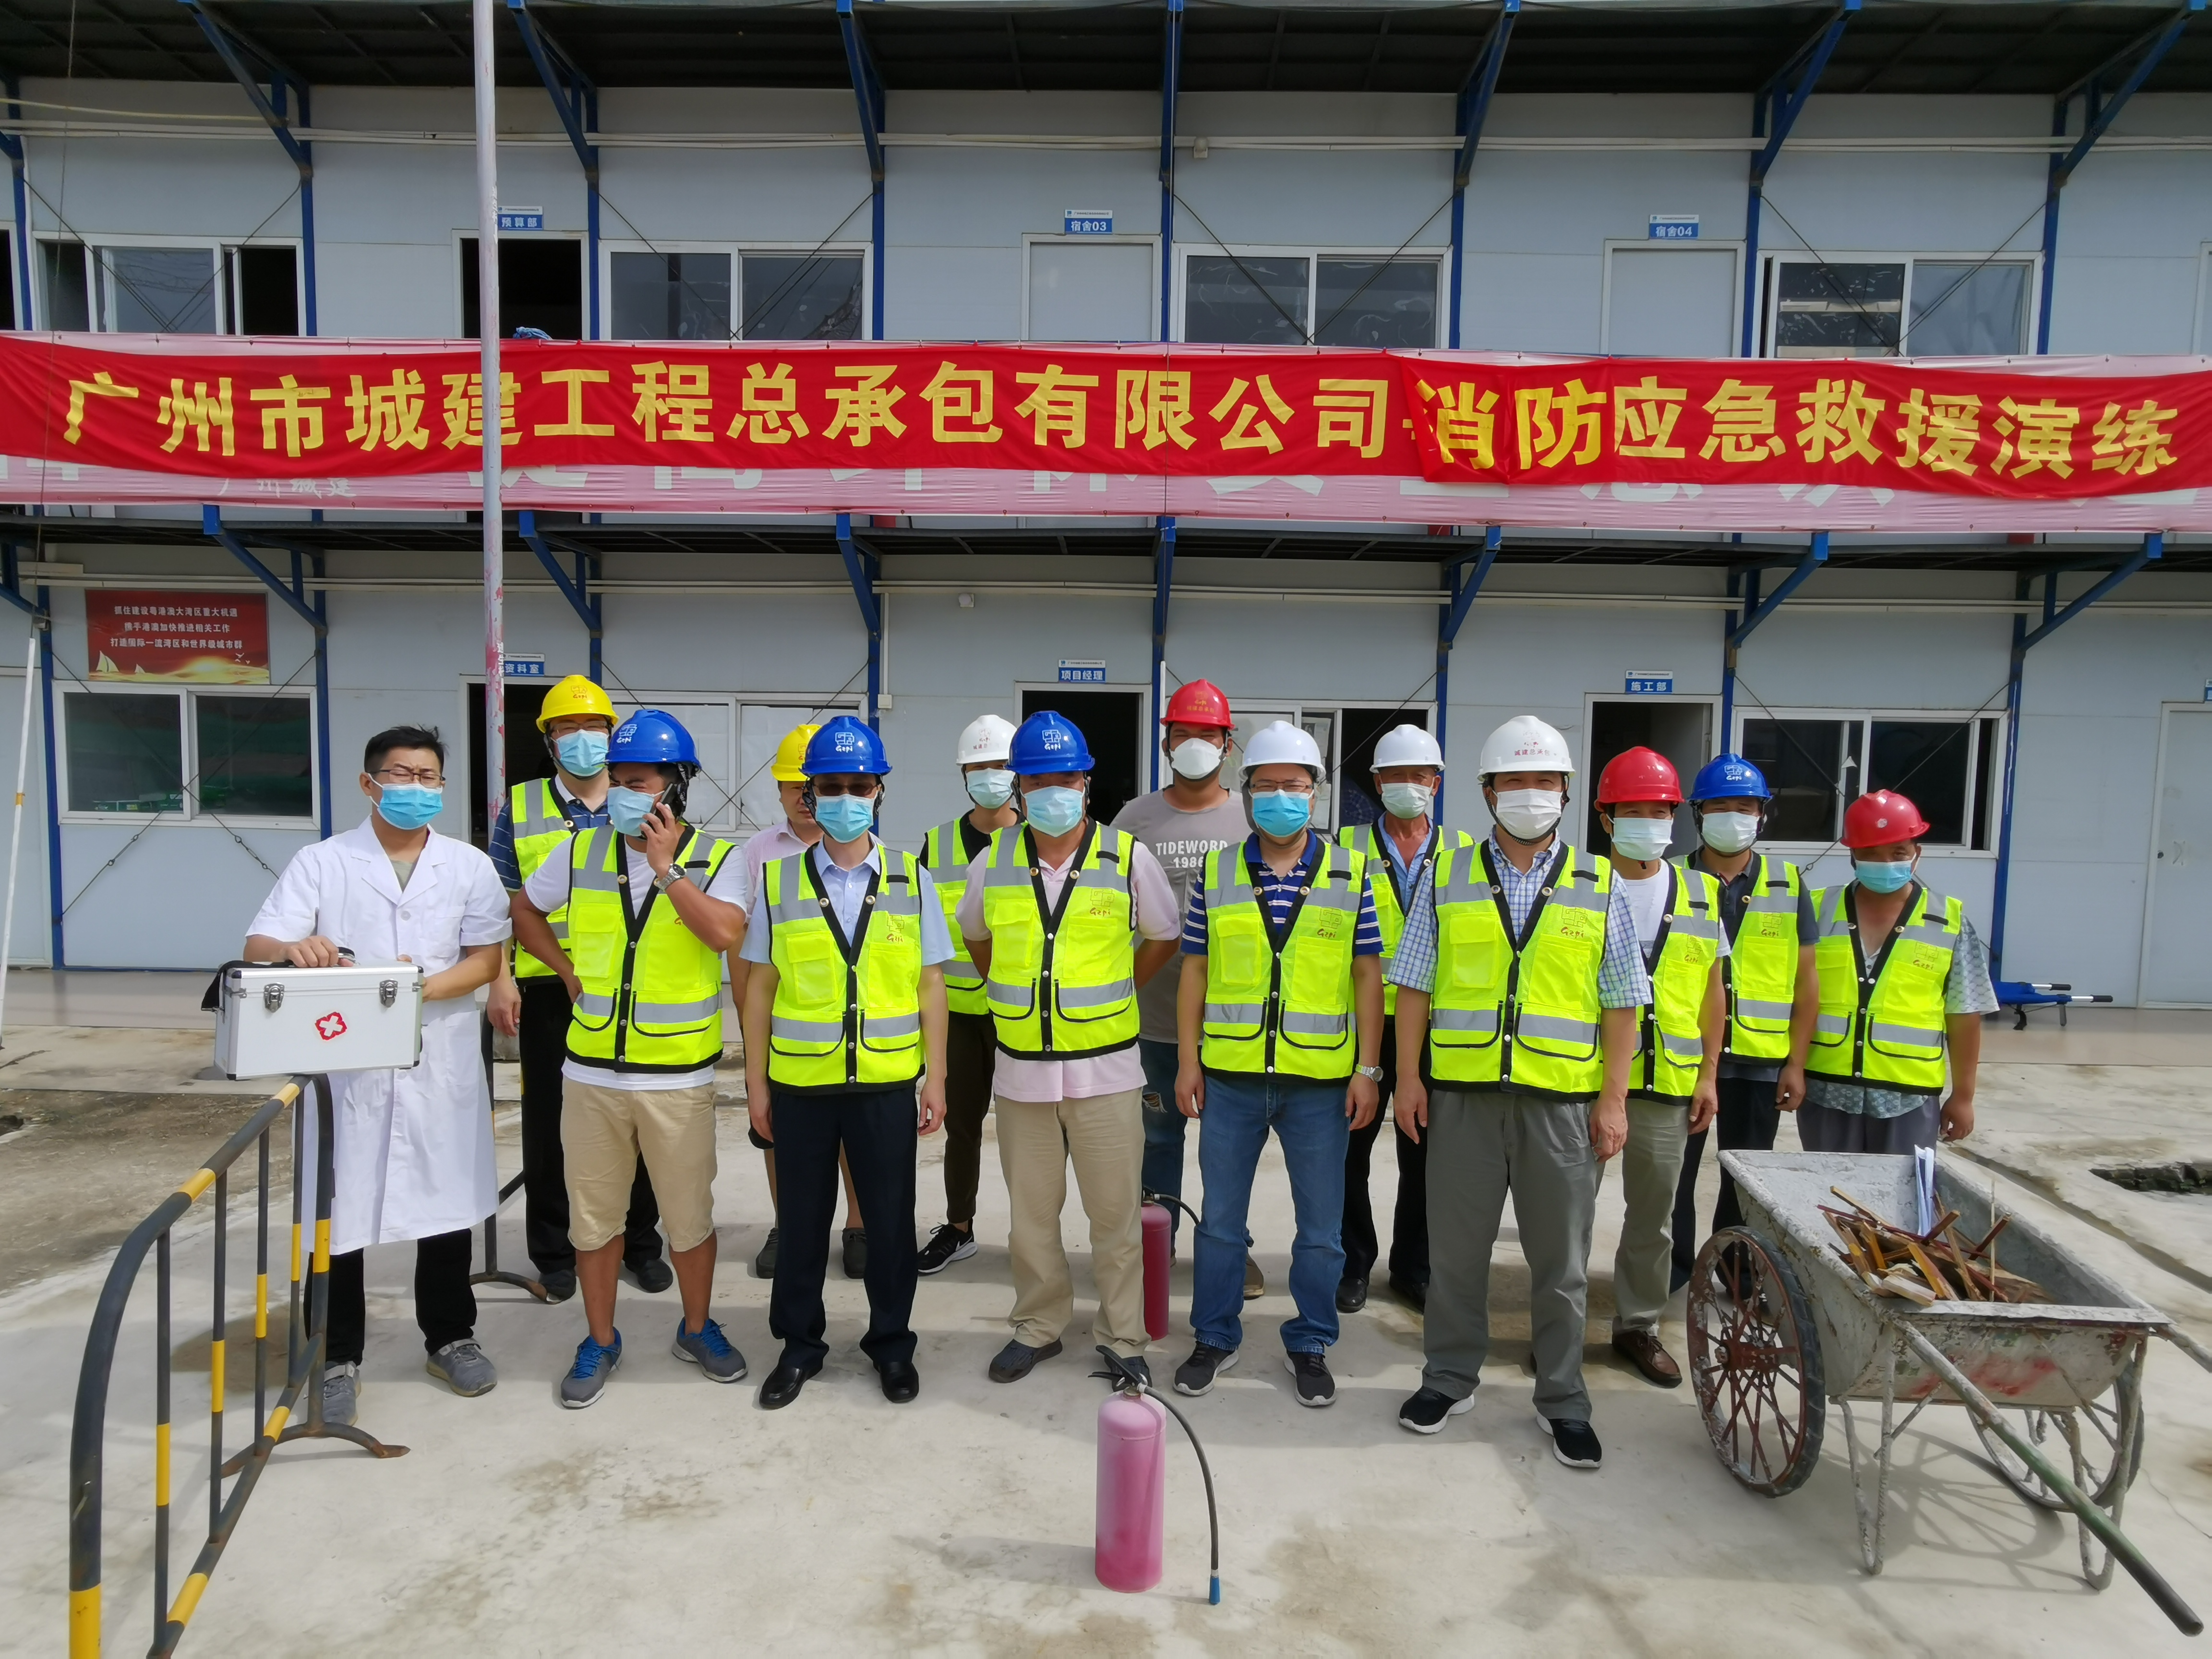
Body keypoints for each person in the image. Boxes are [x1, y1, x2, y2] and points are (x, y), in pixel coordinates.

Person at [1388, 715, 1650, 1472]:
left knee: (1561, 1266)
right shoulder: (1447, 876)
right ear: (1487, 792)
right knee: (1455, 1256)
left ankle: (1563, 1400)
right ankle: (1449, 1378)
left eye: (1543, 782)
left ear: (1565, 793)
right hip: (1463, 1100)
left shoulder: (1599, 883)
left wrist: (1614, 1101)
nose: (1529, 794)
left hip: (1562, 1106)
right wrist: (1407, 1078)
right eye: (1513, 781)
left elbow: (1623, 1003)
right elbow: (1414, 986)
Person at [244, 725, 509, 1424]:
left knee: (446, 1204)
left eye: (428, 778)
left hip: (437, 1058)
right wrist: (294, 949)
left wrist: (413, 990)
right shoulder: (323, 862)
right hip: (347, 1065)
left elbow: (486, 960)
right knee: (338, 1212)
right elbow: (260, 941)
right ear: (369, 784)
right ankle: (335, 1356)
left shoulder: (468, 865)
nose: (416, 788)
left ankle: (450, 1337)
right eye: (401, 775)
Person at [512, 709, 749, 1408]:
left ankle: (697, 1329)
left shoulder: (719, 859)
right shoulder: (580, 851)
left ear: (675, 787)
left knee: (689, 1221)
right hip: (590, 1075)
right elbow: (524, 910)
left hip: (678, 1079)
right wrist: (564, 970)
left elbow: (724, 935)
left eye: (638, 782)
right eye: (616, 780)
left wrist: (667, 870)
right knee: (594, 1222)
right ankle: (600, 1339)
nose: (621, 792)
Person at [962, 711, 1183, 1386]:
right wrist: (1020, 995)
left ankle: (1123, 1337)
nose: (1052, 791)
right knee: (1030, 1219)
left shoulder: (1127, 856)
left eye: (1065, 778)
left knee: (1115, 1219)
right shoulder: (993, 861)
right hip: (1022, 1075)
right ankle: (1039, 1326)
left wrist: (1119, 987)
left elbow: (1163, 935)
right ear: (1019, 788)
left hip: (1107, 1072)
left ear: (1086, 782)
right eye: (1037, 781)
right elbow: (976, 938)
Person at [1172, 721, 1385, 1409]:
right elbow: (1195, 970)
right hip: (1231, 1078)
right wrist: (1187, 1062)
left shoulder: (1352, 873)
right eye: (1266, 786)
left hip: (1320, 1085)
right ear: (1247, 793)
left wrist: (1369, 1070)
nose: (1280, 798)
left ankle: (1312, 1339)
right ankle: (1215, 1335)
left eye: (1293, 786)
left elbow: (1367, 975)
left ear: (1315, 792)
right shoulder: (1217, 872)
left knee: (1321, 1232)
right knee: (1220, 1224)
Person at [741, 716, 950, 1409]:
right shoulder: (778, 881)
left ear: (879, 791)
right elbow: (761, 986)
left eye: (859, 787)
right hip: (802, 1084)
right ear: (810, 795)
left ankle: (892, 1346)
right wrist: (755, 1084)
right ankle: (799, 1348)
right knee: (802, 1226)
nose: (845, 799)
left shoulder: (912, 879)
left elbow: (930, 985)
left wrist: (937, 1078)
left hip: (886, 1084)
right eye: (830, 787)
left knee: (889, 1226)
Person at [484, 675, 668, 1305]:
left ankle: (641, 1243)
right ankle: (556, 1251)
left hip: (627, 987)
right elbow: (501, 902)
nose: (583, 739)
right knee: (549, 1123)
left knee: (637, 1117)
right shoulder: (522, 806)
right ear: (550, 739)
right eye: (569, 729)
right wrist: (501, 978)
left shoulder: (640, 799)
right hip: (547, 988)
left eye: (595, 728)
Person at [1107, 679, 1262, 1297]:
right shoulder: (1135, 818)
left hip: (1231, 1019)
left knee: (1229, 1148)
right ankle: (1158, 1243)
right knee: (1159, 1138)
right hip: (1154, 1017)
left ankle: (1231, 1250)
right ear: (1166, 741)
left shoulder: (1251, 816)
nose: (1194, 743)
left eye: (1207, 734)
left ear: (1227, 744)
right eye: (1183, 734)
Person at [1591, 747, 1723, 1390]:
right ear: (1607, 819)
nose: (1649, 823)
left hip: (1669, 1083)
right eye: (1634, 812)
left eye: (1660, 812)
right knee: (1567, 1215)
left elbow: (1712, 992)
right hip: (1586, 1081)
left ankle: (1638, 1325)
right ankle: (1558, 1329)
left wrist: (1709, 1074)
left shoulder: (1702, 892)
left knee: (1654, 1217)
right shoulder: (1581, 882)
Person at [1333, 722, 1470, 1314]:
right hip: (1362, 1024)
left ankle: (1415, 1266)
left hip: (1436, 1027)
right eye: (1396, 776)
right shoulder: (1344, 848)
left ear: (1436, 783)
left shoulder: (1464, 852)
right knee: (1348, 1152)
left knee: (1427, 1155)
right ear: (1376, 782)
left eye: (1420, 775)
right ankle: (1352, 1263)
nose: (1408, 785)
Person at [1667, 755, 1818, 1290]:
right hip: (1683, 1059)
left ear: (1762, 814)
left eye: (1745, 807)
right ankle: (1671, 1275)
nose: (1734, 817)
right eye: (1720, 807)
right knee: (1674, 1177)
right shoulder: (1670, 877)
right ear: (1698, 814)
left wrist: (1796, 1063)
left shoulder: (1788, 883)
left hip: (1758, 1062)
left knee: (1744, 1179)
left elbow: (1806, 982)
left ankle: (1737, 1275)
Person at [732, 721, 867, 1284]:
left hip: (850, 1025)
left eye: (816, 788)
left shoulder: (867, 849)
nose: (808, 800)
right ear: (785, 789)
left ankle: (858, 1224)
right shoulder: (759, 853)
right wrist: (750, 1024)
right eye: (796, 788)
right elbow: (742, 941)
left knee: (854, 1135)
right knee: (777, 1131)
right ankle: (788, 1224)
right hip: (785, 1025)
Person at [1800, 789, 1994, 1152]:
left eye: (1898, 852)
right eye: (1871, 853)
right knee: (1828, 1186)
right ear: (1853, 856)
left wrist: (1964, 1096)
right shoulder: (1815, 909)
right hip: (1826, 1089)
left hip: (1909, 1096)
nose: (1885, 862)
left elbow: (1965, 1014)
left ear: (1917, 854)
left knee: (1901, 1188)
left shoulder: (1949, 922)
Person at [916, 714, 1020, 1274]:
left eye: (1000, 765)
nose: (989, 777)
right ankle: (959, 1228)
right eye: (978, 767)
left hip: (1022, 1015)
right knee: (961, 1128)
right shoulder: (936, 846)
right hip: (959, 1015)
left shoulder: (1042, 840)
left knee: (1032, 1134)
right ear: (963, 774)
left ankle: (1035, 1236)